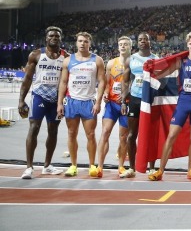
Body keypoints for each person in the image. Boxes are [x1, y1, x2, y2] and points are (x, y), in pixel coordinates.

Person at [148, 32, 191, 181]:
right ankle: (160, 171)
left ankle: (190, 170)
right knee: (171, 136)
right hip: (183, 103)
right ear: (187, 45)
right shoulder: (181, 62)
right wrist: (152, 76)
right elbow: (166, 71)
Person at [18, 26, 69, 179]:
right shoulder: (36, 55)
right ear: (46, 38)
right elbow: (27, 79)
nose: (54, 38)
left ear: (61, 39)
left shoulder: (66, 57)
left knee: (53, 131)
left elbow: (68, 81)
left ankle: (47, 166)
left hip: (56, 99)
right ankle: (29, 167)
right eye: (51, 36)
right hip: (39, 96)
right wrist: (21, 100)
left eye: (57, 36)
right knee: (34, 128)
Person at [57, 32, 106, 177]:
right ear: (76, 43)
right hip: (72, 102)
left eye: (85, 41)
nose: (82, 43)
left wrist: (98, 101)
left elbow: (102, 81)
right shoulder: (68, 60)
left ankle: (92, 165)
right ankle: (73, 165)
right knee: (72, 134)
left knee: (90, 135)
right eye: (80, 41)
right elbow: (63, 82)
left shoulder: (97, 60)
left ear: (90, 43)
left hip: (88, 102)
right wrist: (60, 103)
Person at [120, 32, 158, 178]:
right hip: (135, 99)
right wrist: (124, 101)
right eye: (140, 39)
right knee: (131, 135)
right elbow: (125, 81)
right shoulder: (131, 59)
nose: (143, 41)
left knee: (151, 135)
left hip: (150, 101)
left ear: (150, 41)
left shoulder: (156, 59)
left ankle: (152, 168)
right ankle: (132, 168)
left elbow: (163, 80)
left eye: (145, 39)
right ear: (137, 42)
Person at [95, 36, 132, 178]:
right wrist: (104, 93)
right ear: (118, 47)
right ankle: (99, 167)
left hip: (127, 105)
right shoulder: (111, 63)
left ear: (130, 46)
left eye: (125, 44)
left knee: (123, 137)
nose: (123, 46)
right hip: (112, 104)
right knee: (105, 133)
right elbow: (106, 82)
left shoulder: (134, 63)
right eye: (120, 44)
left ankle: (121, 166)